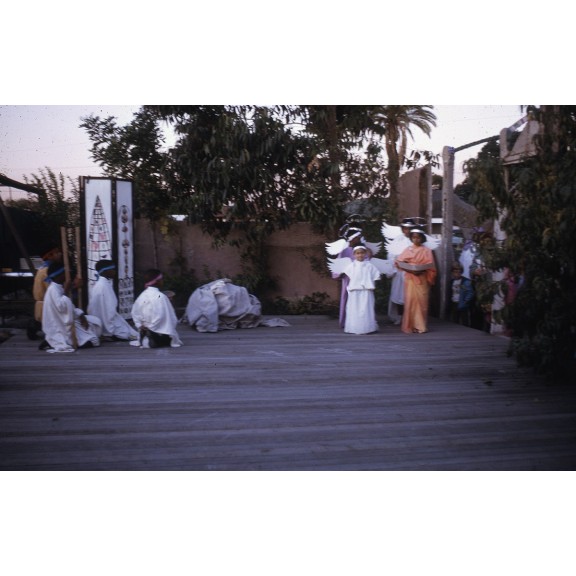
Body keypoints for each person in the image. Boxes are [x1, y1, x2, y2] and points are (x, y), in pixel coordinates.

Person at [326, 218, 381, 328]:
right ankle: (348, 322)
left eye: (359, 237)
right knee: (348, 300)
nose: (359, 239)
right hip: (349, 279)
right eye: (357, 237)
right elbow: (338, 265)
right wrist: (340, 273)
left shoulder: (362, 249)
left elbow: (367, 262)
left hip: (363, 278)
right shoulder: (344, 251)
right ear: (352, 238)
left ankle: (362, 322)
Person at [41, 261, 102, 353]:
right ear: (58, 275)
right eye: (64, 273)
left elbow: (69, 306)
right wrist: (66, 290)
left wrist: (81, 315)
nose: (66, 275)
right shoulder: (53, 289)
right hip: (60, 325)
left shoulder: (58, 287)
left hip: (67, 319)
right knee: (92, 340)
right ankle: (55, 341)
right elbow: (62, 307)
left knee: (95, 322)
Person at [395, 228, 437, 334]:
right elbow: (398, 262)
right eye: (414, 237)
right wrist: (409, 269)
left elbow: (431, 267)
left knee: (422, 303)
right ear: (411, 238)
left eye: (418, 237)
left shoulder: (426, 251)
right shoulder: (408, 249)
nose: (416, 239)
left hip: (422, 279)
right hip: (410, 279)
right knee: (410, 301)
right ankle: (411, 325)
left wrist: (421, 270)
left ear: (422, 238)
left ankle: (420, 326)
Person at [87, 259, 139, 342]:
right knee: (129, 334)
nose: (114, 272)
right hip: (108, 322)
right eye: (112, 269)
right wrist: (111, 328)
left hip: (101, 322)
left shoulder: (99, 284)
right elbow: (110, 310)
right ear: (105, 271)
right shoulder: (104, 286)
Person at [130, 268, 182, 348]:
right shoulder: (161, 296)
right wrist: (151, 327)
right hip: (155, 331)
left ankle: (146, 338)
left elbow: (134, 313)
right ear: (158, 281)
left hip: (144, 329)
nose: (163, 281)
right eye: (162, 279)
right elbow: (167, 317)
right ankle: (153, 338)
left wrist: (139, 325)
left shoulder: (141, 296)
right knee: (167, 332)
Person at [341, 245, 386, 334]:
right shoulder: (352, 266)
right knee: (354, 309)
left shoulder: (370, 266)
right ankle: (353, 327)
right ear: (354, 255)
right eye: (357, 253)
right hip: (354, 290)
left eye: (362, 253)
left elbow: (376, 276)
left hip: (366, 290)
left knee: (366, 309)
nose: (360, 255)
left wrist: (370, 283)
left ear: (365, 254)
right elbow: (348, 275)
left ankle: (367, 328)